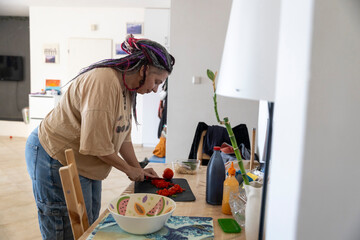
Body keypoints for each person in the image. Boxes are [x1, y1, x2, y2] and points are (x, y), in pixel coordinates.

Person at [25, 35, 175, 240]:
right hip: (53, 155)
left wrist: (137, 169)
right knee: (65, 227)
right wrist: (129, 170)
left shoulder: (128, 88)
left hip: (84, 158)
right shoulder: (103, 82)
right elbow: (96, 145)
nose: (156, 89)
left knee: (88, 226)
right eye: (157, 81)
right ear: (144, 69)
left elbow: (124, 136)